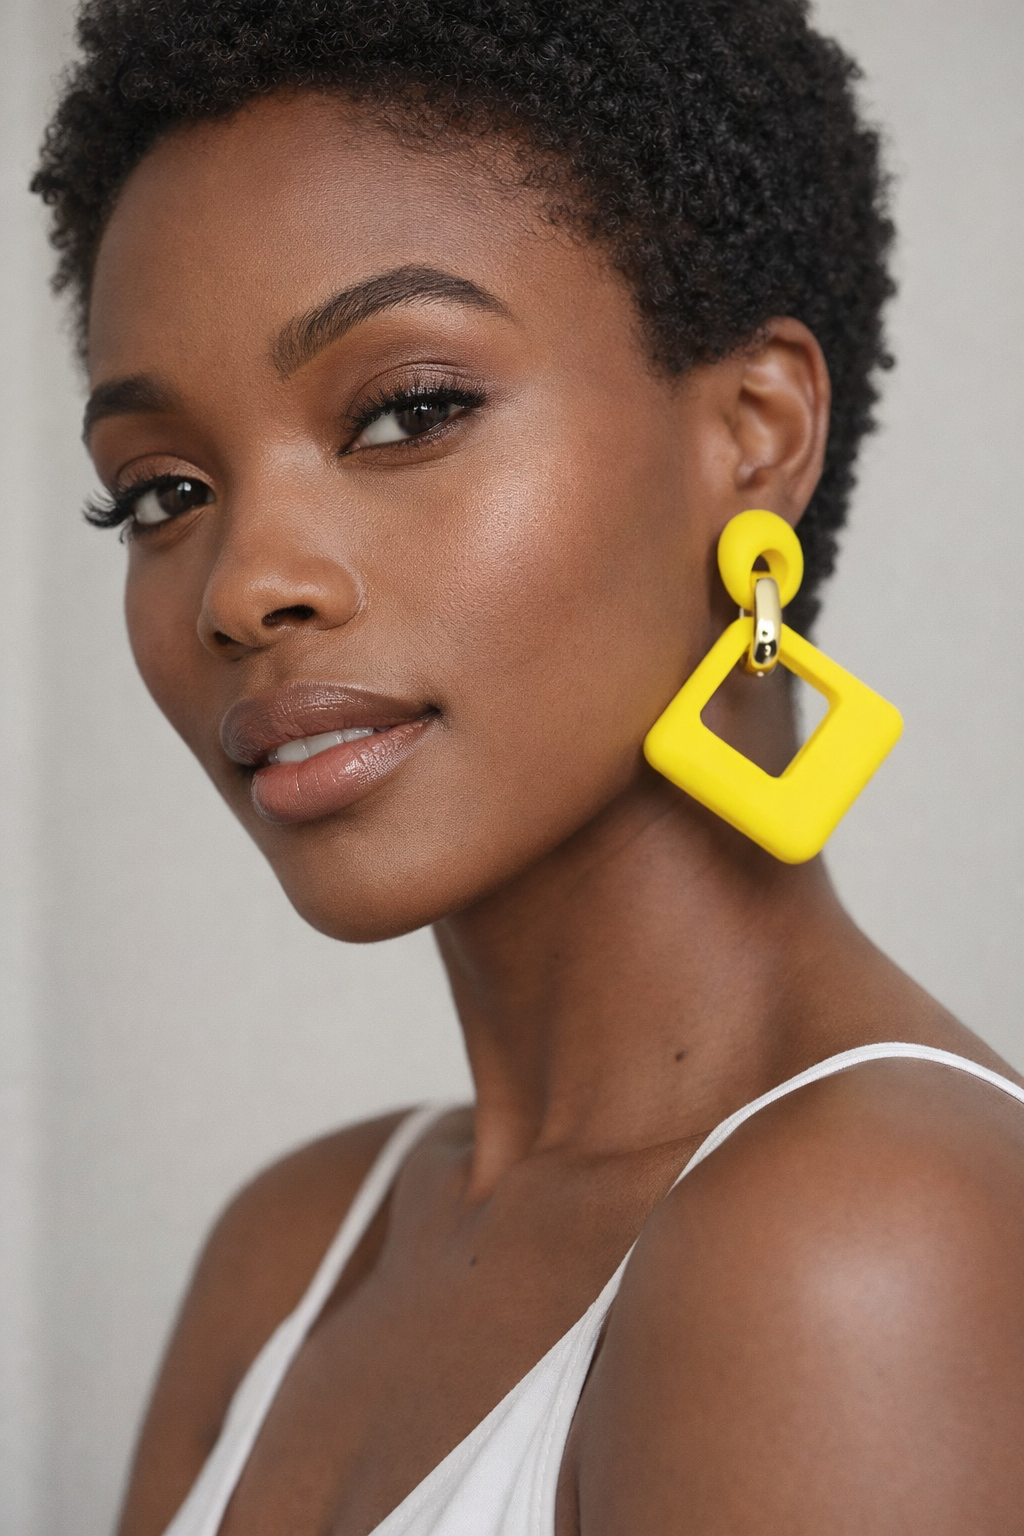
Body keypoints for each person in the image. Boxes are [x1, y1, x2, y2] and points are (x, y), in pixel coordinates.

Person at [32, 1, 1024, 1532]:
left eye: (406, 411)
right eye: (162, 492)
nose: (241, 587)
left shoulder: (864, 1245)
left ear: (753, 432)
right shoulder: (293, 1251)